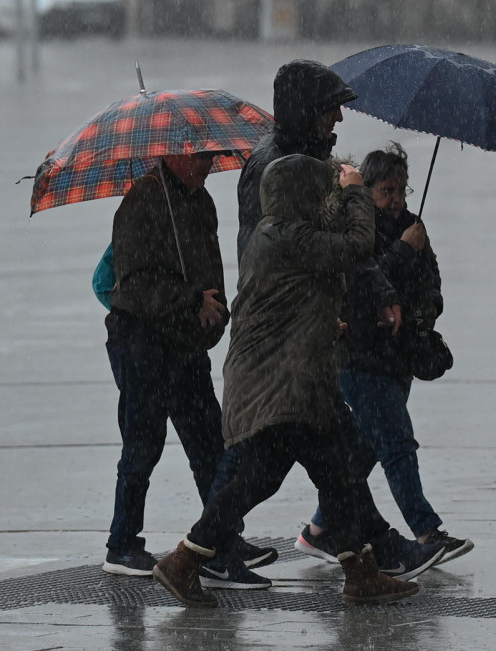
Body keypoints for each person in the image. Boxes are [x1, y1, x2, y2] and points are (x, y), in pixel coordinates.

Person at [151, 153, 427, 607]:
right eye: (321, 192)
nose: (328, 199)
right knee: (275, 476)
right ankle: (184, 560)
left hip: (290, 378)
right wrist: (356, 189)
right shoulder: (287, 235)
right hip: (281, 384)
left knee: (322, 473)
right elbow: (359, 245)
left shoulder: (281, 233)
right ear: (301, 195)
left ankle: (358, 572)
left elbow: (294, 302)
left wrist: (325, 325)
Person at [237, 59, 445, 579]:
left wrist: (379, 291)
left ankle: (359, 552)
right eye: (331, 109)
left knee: (321, 457)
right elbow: (330, 249)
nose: (339, 120)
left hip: (308, 334)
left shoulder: (304, 160)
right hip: (289, 340)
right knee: (276, 461)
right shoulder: (279, 169)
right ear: (308, 110)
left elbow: (347, 253)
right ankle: (372, 551)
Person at [102, 152, 275, 584]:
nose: (207, 165)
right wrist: (189, 299)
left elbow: (208, 269)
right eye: (199, 157)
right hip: (143, 342)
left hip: (185, 344)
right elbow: (135, 281)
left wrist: (213, 310)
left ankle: (217, 542)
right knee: (142, 444)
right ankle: (122, 544)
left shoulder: (200, 200)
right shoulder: (143, 199)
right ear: (173, 154)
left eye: (211, 157)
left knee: (209, 444)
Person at [301, 142, 473, 563]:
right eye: (387, 191)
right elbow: (363, 281)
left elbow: (432, 285)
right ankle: (426, 530)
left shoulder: (414, 227)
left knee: (366, 448)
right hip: (360, 358)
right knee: (396, 444)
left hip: (400, 359)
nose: (396, 200)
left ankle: (319, 528)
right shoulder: (357, 228)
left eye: (402, 190)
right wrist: (403, 251)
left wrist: (424, 311)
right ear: (369, 190)